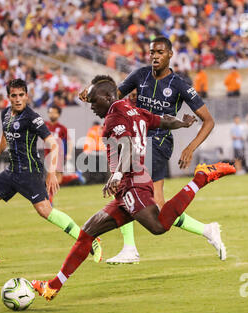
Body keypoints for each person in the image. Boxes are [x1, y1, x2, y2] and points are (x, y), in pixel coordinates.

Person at [32, 75, 235, 301]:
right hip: (130, 184)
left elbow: (127, 144)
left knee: (158, 226)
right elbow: (162, 120)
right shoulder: (132, 110)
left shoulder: (114, 115)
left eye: (95, 102)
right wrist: (182, 123)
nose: (92, 107)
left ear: (108, 97)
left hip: (131, 184)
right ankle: (52, 286)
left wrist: (117, 175)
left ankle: (200, 178)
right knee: (87, 232)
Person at [80, 36, 223, 265]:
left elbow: (208, 121)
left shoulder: (179, 84)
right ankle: (206, 230)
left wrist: (190, 147)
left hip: (157, 143)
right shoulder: (140, 75)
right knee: (156, 204)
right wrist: (91, 92)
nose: (155, 56)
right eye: (152, 52)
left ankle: (131, 248)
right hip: (135, 142)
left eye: (159, 52)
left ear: (170, 55)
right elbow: (111, 96)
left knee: (128, 189)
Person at [0, 79, 102, 265]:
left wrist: (52, 172)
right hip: (12, 171)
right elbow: (5, 133)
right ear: (9, 97)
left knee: (46, 212)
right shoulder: (5, 113)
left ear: (27, 96)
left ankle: (89, 240)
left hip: (29, 172)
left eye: (21, 95)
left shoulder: (32, 117)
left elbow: (53, 144)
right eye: (14, 95)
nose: (18, 99)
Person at [44, 104, 85, 199]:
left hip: (59, 155)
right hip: (48, 155)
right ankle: (75, 176)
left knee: (51, 178)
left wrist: (69, 154)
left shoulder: (62, 128)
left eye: (54, 112)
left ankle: (49, 200)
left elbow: (69, 141)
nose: (52, 114)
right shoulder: (44, 125)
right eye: (50, 112)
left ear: (58, 114)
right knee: (58, 180)